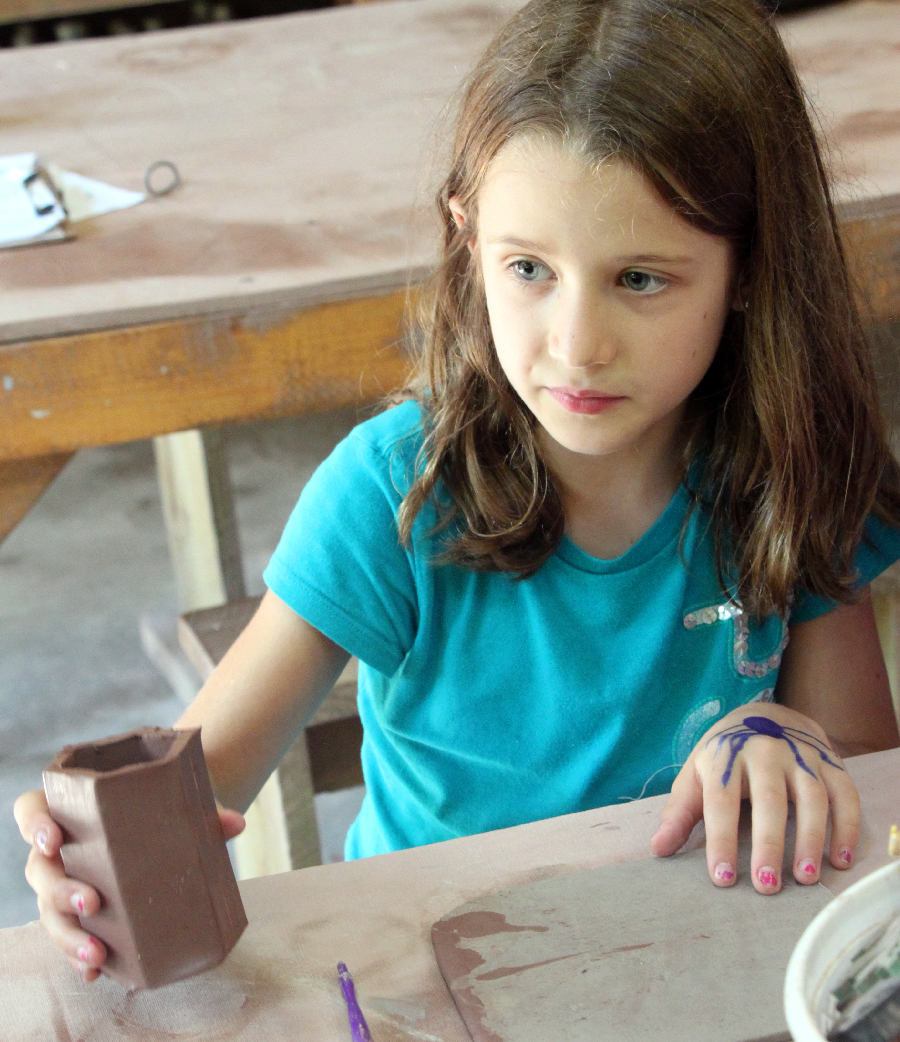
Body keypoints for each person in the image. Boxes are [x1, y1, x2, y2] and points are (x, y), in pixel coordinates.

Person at [16, 0, 900, 984]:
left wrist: (790, 738)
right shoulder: (393, 493)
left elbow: (868, 766)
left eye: (641, 279)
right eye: (528, 268)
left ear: (749, 267)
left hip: (696, 954)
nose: (575, 342)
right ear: (467, 235)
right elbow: (196, 781)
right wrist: (84, 858)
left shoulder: (798, 466)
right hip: (431, 973)